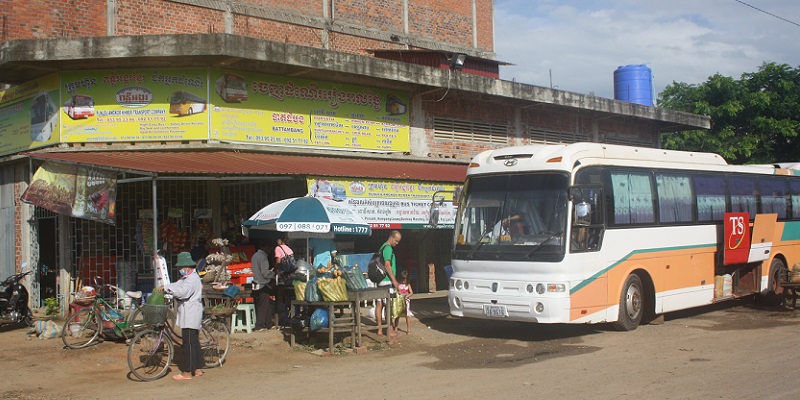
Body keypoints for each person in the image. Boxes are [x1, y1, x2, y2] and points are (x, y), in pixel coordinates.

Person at [158, 251, 204, 380]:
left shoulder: (193, 279)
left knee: (188, 343)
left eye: (181, 267)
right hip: (188, 313)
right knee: (194, 341)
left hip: (191, 313)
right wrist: (166, 286)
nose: (180, 270)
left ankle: (188, 372)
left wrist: (168, 289)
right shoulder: (186, 278)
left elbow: (183, 292)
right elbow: (178, 285)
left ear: (187, 267)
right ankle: (198, 368)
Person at [375, 230, 401, 337]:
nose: (397, 243)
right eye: (396, 241)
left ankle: (380, 329)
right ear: (391, 238)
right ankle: (389, 330)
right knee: (388, 305)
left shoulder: (382, 247)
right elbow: (387, 265)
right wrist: (394, 281)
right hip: (386, 280)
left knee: (379, 304)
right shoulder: (388, 248)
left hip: (380, 280)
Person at [251, 240, 276, 331]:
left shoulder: (255, 256)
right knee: (263, 306)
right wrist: (273, 275)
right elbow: (265, 273)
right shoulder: (263, 257)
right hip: (262, 283)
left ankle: (268, 324)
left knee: (266, 304)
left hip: (256, 282)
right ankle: (259, 325)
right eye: (270, 248)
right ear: (266, 247)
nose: (270, 251)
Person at [395, 269, 414, 335]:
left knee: (407, 316)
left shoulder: (408, 285)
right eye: (402, 279)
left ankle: (408, 330)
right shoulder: (398, 285)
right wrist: (400, 293)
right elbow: (397, 292)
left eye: (405, 280)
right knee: (397, 315)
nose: (404, 281)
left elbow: (411, 292)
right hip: (399, 301)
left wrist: (407, 295)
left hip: (406, 302)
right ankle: (396, 328)